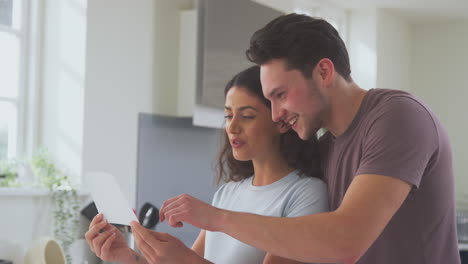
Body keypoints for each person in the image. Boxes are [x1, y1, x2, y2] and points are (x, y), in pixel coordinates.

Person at [158, 13, 460, 264]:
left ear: (324, 72)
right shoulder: (325, 147)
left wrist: (216, 219)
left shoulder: (398, 117)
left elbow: (345, 242)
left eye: (281, 95)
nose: (276, 114)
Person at [85, 66, 329, 263]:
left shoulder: (306, 194)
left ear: (280, 120)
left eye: (246, 116)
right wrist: (127, 258)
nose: (232, 127)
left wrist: (184, 260)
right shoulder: (227, 194)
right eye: (228, 115)